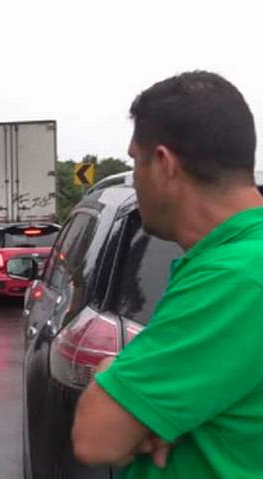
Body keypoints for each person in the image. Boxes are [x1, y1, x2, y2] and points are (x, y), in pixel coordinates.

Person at [72, 71, 263, 477]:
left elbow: (96, 438)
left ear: (163, 164)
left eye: (135, 161)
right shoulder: (236, 258)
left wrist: (109, 372)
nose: (137, 179)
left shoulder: (234, 278)